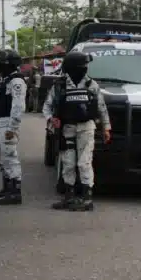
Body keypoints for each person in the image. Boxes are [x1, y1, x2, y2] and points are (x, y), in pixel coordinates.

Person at [43, 51, 111, 212]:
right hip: (67, 128)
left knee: (84, 162)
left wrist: (106, 127)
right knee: (68, 162)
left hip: (86, 127)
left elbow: (101, 107)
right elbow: (47, 106)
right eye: (83, 66)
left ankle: (87, 198)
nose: (85, 68)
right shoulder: (59, 85)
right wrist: (51, 119)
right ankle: (69, 196)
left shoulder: (91, 85)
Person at [0, 49, 26, 205]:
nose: (0, 65)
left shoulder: (17, 81)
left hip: (8, 124)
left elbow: (17, 106)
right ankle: (7, 188)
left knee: (10, 157)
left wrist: (12, 128)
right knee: (2, 158)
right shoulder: (6, 80)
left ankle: (15, 192)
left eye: (2, 63)